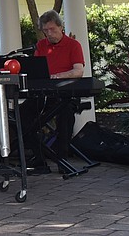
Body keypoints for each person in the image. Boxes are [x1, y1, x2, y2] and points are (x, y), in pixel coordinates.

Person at [33, 10, 85, 161]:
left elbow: (78, 71)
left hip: (66, 94)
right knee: (23, 116)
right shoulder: (41, 46)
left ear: (61, 27)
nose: (49, 33)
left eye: (52, 29)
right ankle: (39, 159)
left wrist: (57, 77)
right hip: (44, 94)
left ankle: (62, 158)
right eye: (45, 30)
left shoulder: (73, 45)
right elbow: (36, 70)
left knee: (65, 113)